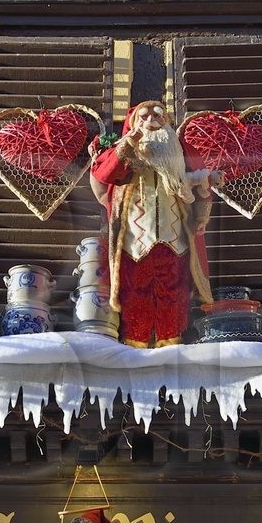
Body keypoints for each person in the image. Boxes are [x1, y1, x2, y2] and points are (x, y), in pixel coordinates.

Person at [90, 100, 220, 347]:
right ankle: (134, 346)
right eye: (144, 116)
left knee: (174, 295)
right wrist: (128, 144)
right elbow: (104, 174)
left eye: (158, 116)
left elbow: (202, 186)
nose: (151, 121)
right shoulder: (124, 150)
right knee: (135, 295)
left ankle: (170, 345)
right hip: (133, 243)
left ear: (167, 123)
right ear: (133, 123)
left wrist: (202, 216)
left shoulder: (179, 152)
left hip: (175, 242)